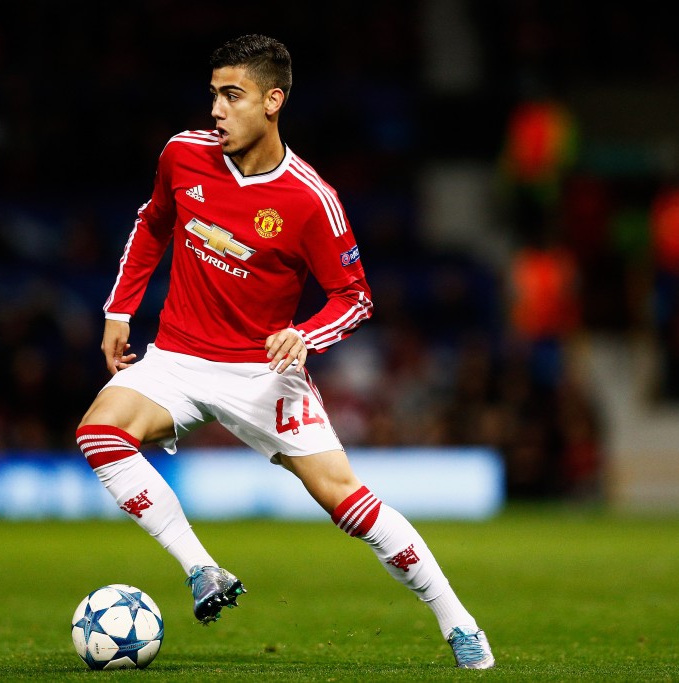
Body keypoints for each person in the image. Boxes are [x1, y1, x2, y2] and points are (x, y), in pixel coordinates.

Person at [75, 34, 494, 669]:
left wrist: (306, 333)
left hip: (261, 374)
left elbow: (354, 297)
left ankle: (458, 622)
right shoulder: (182, 156)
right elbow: (155, 221)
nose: (216, 109)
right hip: (178, 358)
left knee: (348, 503)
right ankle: (202, 570)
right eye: (214, 93)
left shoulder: (308, 200)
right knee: (99, 434)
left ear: (273, 102)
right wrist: (119, 307)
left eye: (232, 95)